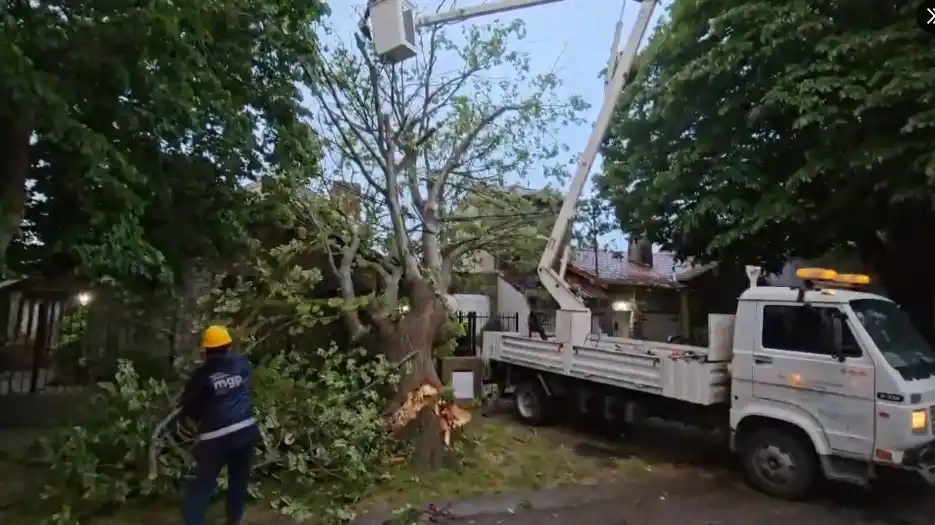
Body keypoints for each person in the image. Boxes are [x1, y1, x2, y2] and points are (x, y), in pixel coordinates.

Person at [179, 325, 260, 525]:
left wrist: (198, 416)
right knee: (238, 481)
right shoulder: (242, 364)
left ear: (205, 349)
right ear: (229, 344)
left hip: (215, 438)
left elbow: (188, 405)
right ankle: (235, 520)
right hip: (245, 430)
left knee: (203, 485)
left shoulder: (201, 375)